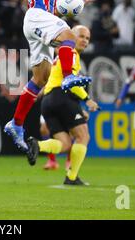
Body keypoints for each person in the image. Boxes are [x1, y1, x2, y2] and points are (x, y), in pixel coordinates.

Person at [3, 0, 95, 151]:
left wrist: (74, 1)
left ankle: (16, 123)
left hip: (40, 19)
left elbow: (55, 9)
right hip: (35, 16)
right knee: (70, 36)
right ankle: (68, 77)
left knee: (41, 77)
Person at [26, 25, 100, 185]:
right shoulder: (71, 53)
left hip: (48, 101)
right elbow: (70, 82)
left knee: (65, 143)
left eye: (87, 38)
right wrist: (87, 99)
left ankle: (38, 145)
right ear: (71, 36)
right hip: (62, 96)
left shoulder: (59, 56)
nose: (85, 41)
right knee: (83, 136)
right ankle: (72, 177)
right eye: (81, 36)